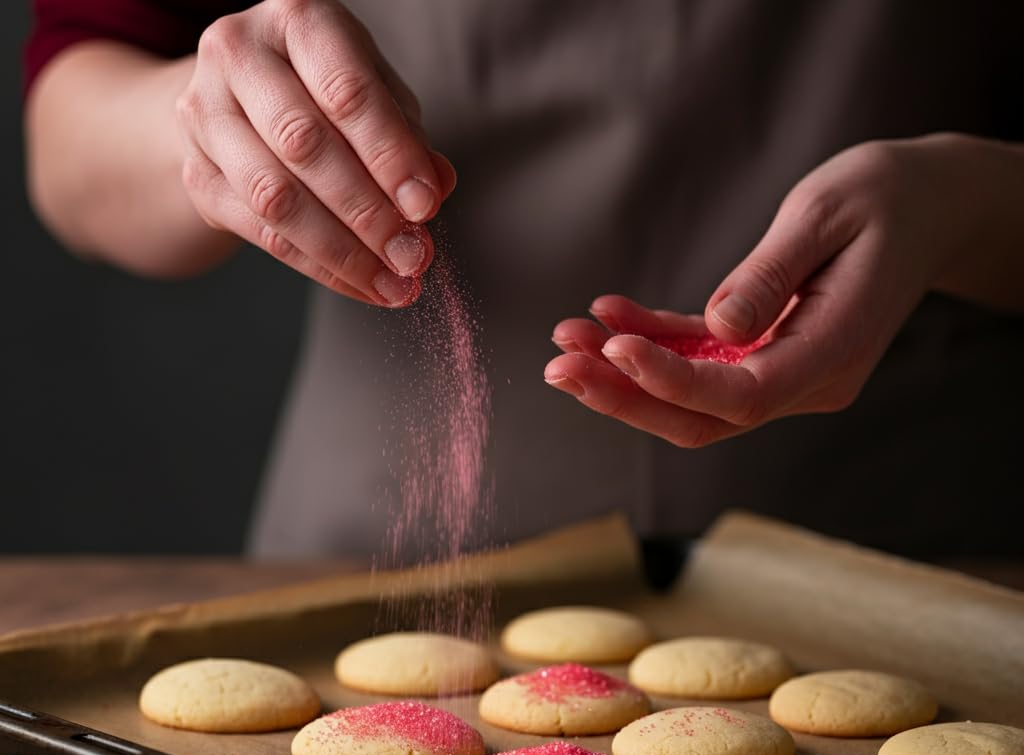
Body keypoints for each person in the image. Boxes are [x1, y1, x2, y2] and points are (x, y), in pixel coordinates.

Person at [23, 0, 1024, 562]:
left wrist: (964, 206)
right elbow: (67, 148)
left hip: (910, 554)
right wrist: (212, 129)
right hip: (376, 564)